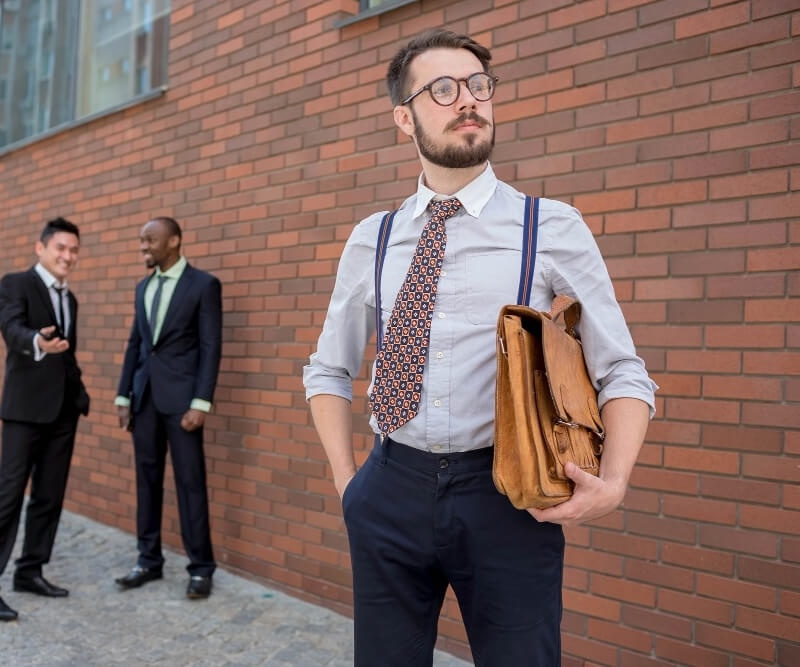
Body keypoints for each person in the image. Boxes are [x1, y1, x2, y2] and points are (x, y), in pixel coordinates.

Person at [302, 28, 657, 667]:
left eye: (477, 86)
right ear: (403, 119)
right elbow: (329, 368)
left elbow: (623, 370)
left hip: (507, 497)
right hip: (389, 487)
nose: (467, 100)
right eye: (442, 89)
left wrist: (615, 481)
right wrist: (348, 483)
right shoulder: (373, 238)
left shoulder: (548, 227)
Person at [0, 217, 90, 622]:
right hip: (24, 411)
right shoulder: (15, 284)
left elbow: (67, 353)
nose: (68, 256)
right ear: (40, 248)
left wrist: (80, 395)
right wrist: (36, 341)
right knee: (8, 495)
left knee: (49, 497)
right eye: (61, 248)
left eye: (74, 250)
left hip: (62, 414)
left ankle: (30, 570)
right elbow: (11, 328)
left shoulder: (70, 299)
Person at [114, 216, 222, 599]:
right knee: (147, 481)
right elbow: (136, 345)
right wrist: (123, 395)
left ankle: (201, 568)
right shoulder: (142, 286)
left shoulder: (204, 285)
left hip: (183, 407)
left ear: (174, 241)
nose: (143, 246)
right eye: (142, 240)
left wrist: (201, 402)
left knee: (190, 483)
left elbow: (211, 347)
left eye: (150, 240)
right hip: (144, 402)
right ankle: (148, 560)